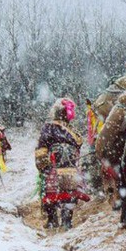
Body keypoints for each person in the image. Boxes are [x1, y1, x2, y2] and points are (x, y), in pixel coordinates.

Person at [35, 98, 90, 230]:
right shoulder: (71, 131)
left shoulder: (48, 127)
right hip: (70, 167)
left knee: (50, 193)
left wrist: (43, 165)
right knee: (69, 193)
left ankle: (52, 220)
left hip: (53, 165)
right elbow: (78, 144)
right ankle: (67, 220)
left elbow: (42, 148)